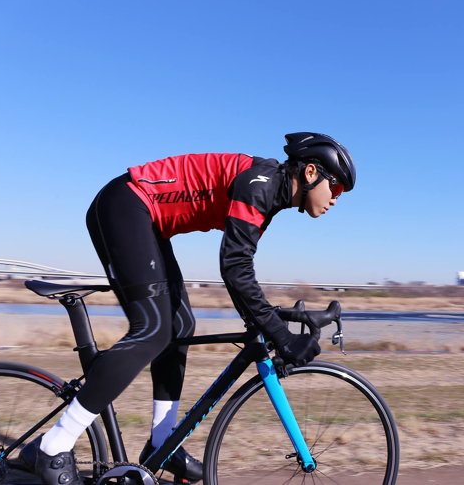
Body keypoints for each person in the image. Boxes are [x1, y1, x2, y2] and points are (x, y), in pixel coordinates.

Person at [20, 132, 356, 485]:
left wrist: (275, 320)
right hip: (125, 204)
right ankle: (53, 446)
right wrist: (280, 335)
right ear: (310, 173)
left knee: (180, 328)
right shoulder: (261, 184)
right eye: (336, 189)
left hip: (147, 221)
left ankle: (162, 443)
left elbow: (239, 272)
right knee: (152, 331)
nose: (336, 200)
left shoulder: (270, 193)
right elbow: (235, 269)